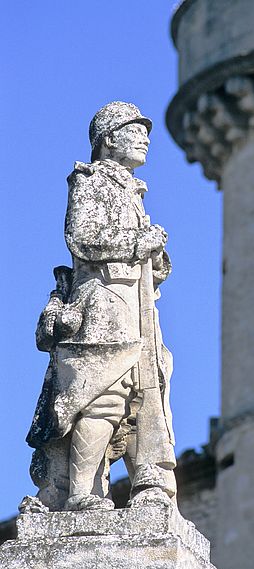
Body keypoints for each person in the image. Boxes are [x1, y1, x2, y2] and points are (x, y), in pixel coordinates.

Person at [25, 101, 176, 512]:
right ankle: (82, 494)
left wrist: (156, 256)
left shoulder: (132, 192)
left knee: (144, 391)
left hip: (137, 302)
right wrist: (135, 244)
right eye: (133, 130)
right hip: (102, 298)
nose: (145, 137)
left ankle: (149, 479)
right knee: (102, 390)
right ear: (109, 140)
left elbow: (151, 265)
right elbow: (81, 238)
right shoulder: (91, 182)